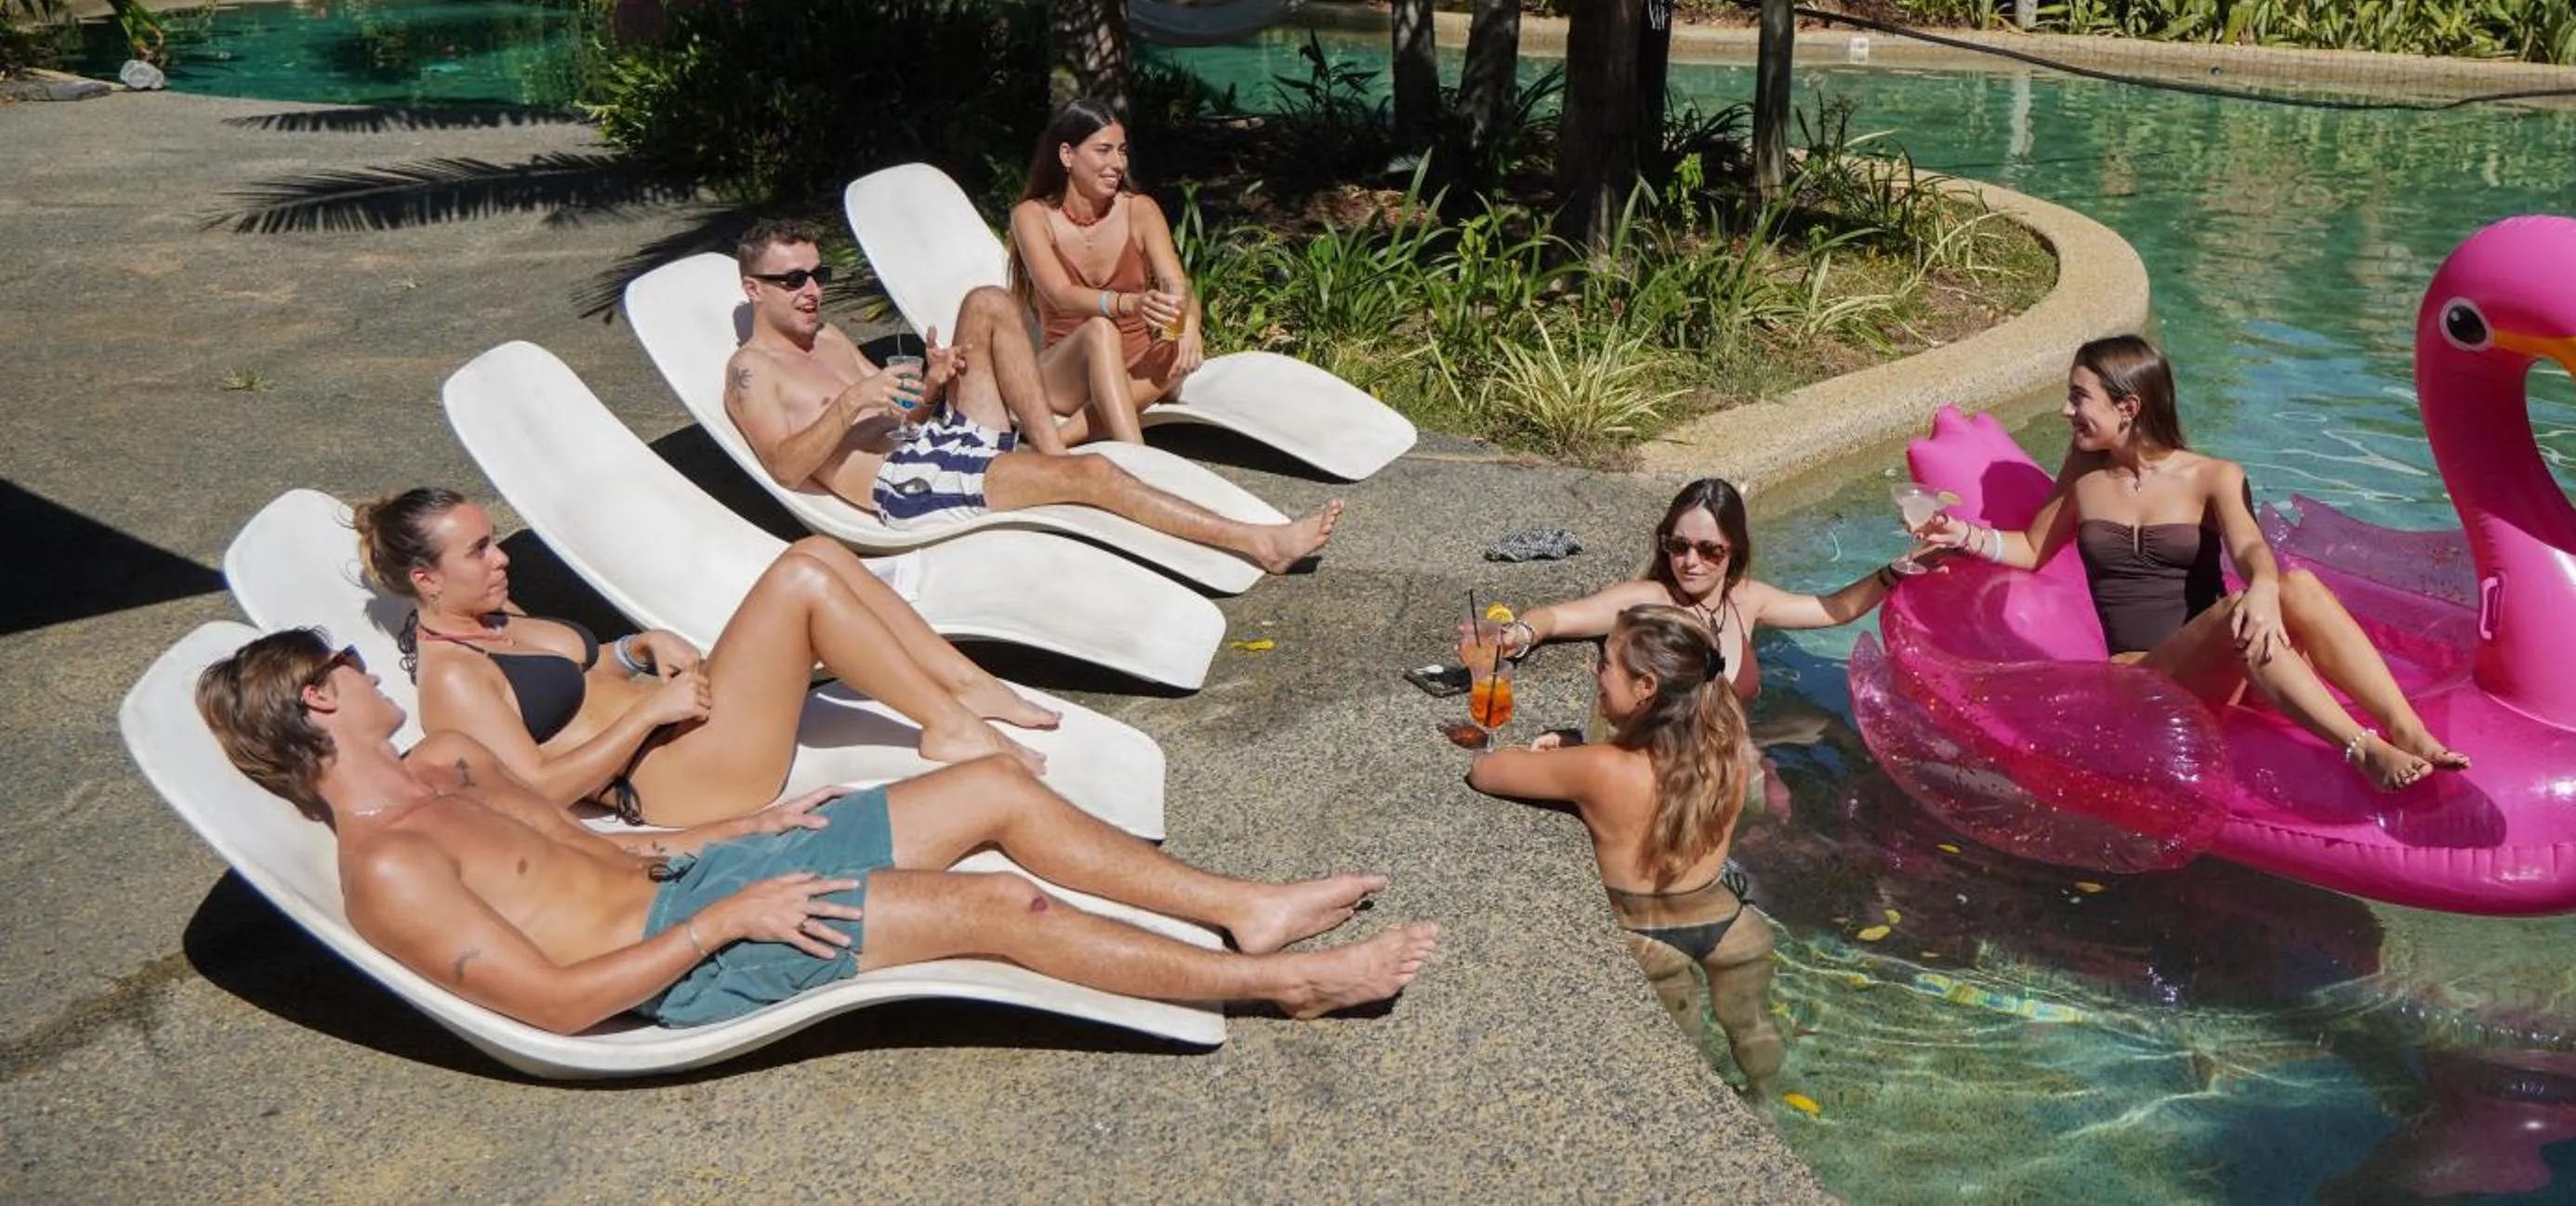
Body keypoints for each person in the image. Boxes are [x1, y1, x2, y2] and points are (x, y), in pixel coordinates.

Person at [195, 630, 1440, 1033]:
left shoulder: (448, 763)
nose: (369, 670)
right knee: (1000, 908)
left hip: (711, 873)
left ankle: (1241, 907)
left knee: (990, 788)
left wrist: (752, 827)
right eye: (347, 666)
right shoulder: (390, 868)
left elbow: (591, 847)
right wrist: (727, 914)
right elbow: (557, 1002)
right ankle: (1284, 984)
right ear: (319, 704)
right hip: (688, 954)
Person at [1916, 334, 2470, 790]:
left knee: (2297, 584)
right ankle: (2361, 748)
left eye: (2079, 398)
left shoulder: (2215, 477)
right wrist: (1962, 534)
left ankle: (2407, 729)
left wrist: (2264, 586)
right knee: (2235, 613)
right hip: (2143, 682)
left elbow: (2250, 548)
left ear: (2128, 407)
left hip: (2226, 668)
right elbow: (2033, 548)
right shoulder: (2084, 474)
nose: (2067, 410)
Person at [357, 487, 1057, 828]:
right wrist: (646, 716)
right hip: (679, 779)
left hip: (686, 725)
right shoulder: (454, 679)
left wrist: (635, 649)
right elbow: (536, 791)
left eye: (493, 541)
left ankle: (966, 684)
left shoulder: (491, 615)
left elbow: (577, 678)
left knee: (816, 551)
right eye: (479, 551)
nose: (503, 558)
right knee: (801, 582)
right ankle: (948, 726)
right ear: (426, 579)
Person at [720, 219, 1340, 574]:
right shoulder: (751, 372)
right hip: (910, 484)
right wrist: (853, 401)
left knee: (987, 302)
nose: (812, 291)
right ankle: (1258, 543)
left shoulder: (827, 337)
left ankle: (1050, 453)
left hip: (932, 442)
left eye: (818, 275)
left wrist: (932, 382)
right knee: (1096, 475)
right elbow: (785, 465)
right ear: (754, 288)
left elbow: (905, 414)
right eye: (793, 280)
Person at [1467, 605, 1780, 1096]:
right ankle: (1763, 1100)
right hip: (1733, 926)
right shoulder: (1729, 753)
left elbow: (1485, 771)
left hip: (1650, 940)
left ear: (1646, 687)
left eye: (1606, 663)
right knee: (1754, 1029)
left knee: (1679, 1066)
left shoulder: (1600, 768)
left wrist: (1570, 752)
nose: (1597, 673)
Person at [1499, 477, 1911, 709]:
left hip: (1735, 758)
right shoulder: (1650, 601)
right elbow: (1555, 617)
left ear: (1734, 552)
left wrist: (1897, 571)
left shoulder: (1747, 600)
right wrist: (1519, 634)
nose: (1690, 562)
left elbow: (1836, 609)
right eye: (1679, 546)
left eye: (1710, 550)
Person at [1006, 99, 1200, 447]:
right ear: (1067, 155)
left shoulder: (1140, 210)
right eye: (1103, 151)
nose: (1118, 164)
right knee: (1100, 329)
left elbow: (1176, 285)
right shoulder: (1031, 216)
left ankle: (1056, 442)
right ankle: (1137, 455)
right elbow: (1060, 294)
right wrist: (1129, 304)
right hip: (1065, 377)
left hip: (1133, 369)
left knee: (1176, 347)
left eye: (1122, 151)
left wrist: (1188, 325)